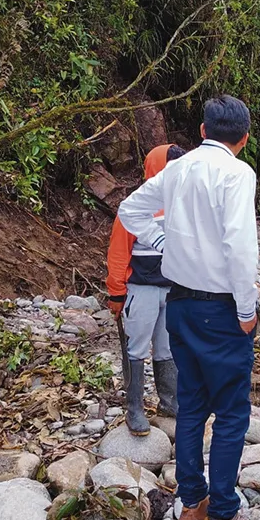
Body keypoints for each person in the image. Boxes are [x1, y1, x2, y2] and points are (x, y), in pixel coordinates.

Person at [117, 95, 260, 520]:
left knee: (191, 407)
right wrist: (247, 310)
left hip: (180, 305)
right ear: (242, 139)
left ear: (203, 131)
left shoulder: (177, 169)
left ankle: (193, 504)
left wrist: (163, 244)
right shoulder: (237, 173)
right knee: (229, 415)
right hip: (221, 310)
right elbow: (241, 248)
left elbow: (130, 212)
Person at [107, 144, 186, 436]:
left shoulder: (185, 204)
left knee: (168, 347)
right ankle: (135, 408)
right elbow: (118, 253)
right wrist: (116, 293)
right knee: (136, 347)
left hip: (173, 289)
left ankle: (170, 402)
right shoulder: (137, 205)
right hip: (141, 289)